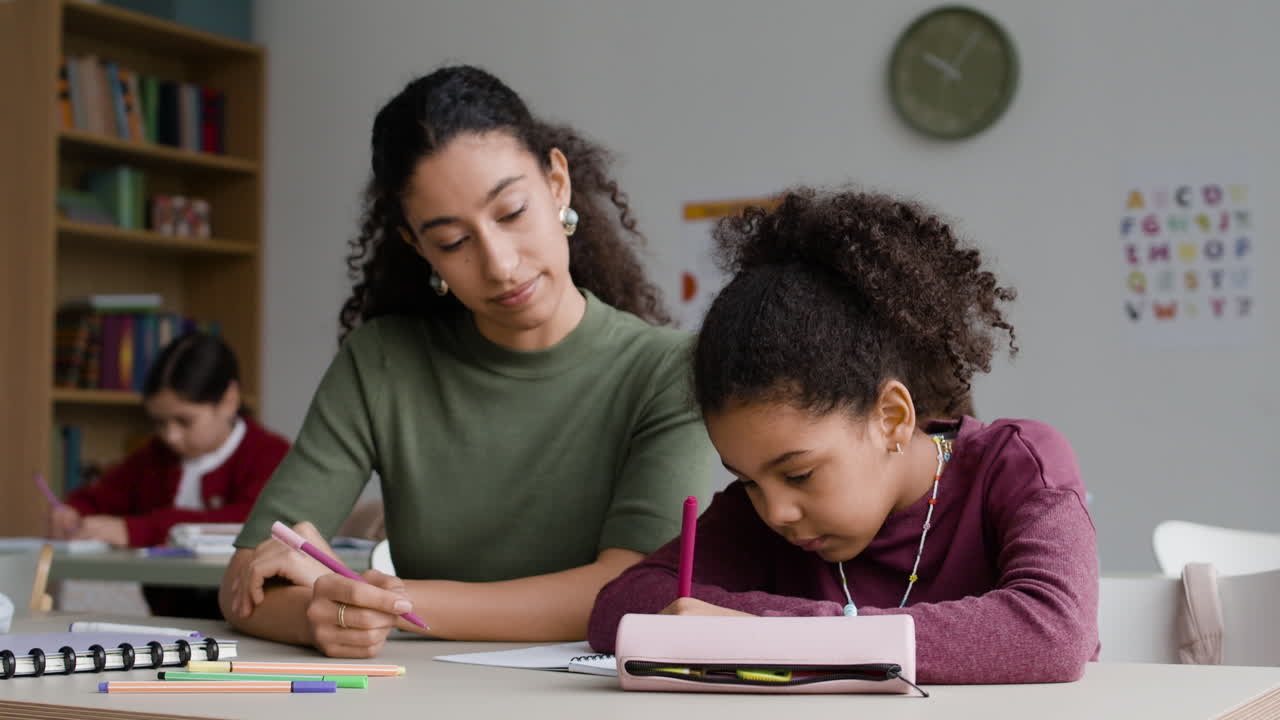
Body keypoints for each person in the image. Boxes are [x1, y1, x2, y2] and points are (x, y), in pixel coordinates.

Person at [220, 65, 717, 656]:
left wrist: (383, 601)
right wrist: (318, 619)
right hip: (420, 696)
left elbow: (627, 590)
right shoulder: (383, 362)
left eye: (511, 213)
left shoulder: (669, 371)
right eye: (453, 242)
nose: (500, 264)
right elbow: (245, 579)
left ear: (557, 183)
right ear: (417, 246)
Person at [587, 188, 1099, 684]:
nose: (777, 511)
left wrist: (771, 635)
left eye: (800, 473)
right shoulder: (763, 513)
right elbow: (619, 605)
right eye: (746, 480)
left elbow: (1052, 633)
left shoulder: (1017, 464)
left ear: (891, 418)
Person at [52, 332, 290, 617]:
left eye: (184, 421)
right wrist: (72, 513)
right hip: (168, 619)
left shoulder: (271, 454)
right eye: (160, 423)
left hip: (247, 618)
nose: (171, 436)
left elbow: (249, 522)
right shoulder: (155, 456)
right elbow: (100, 497)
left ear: (229, 400)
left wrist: (137, 530)